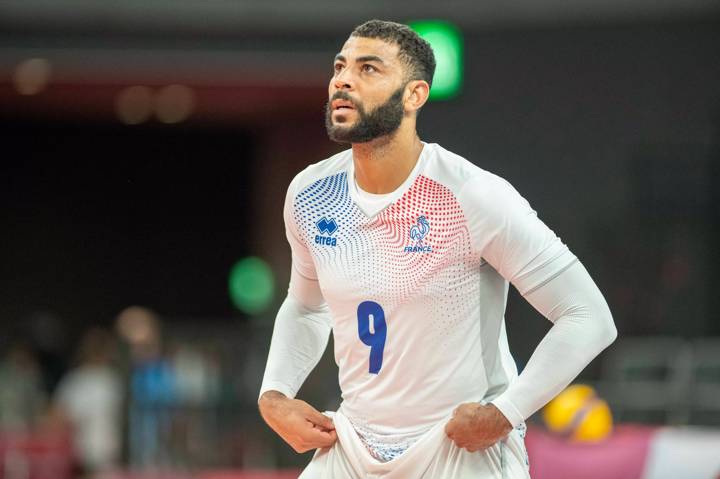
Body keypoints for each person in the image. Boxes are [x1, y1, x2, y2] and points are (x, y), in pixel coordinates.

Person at [258, 19, 617, 478]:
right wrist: (274, 395)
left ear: (415, 95)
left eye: (369, 69)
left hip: (455, 445)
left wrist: (505, 413)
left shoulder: (472, 194)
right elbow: (306, 309)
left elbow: (588, 316)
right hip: (352, 441)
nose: (343, 80)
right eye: (340, 67)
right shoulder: (309, 193)